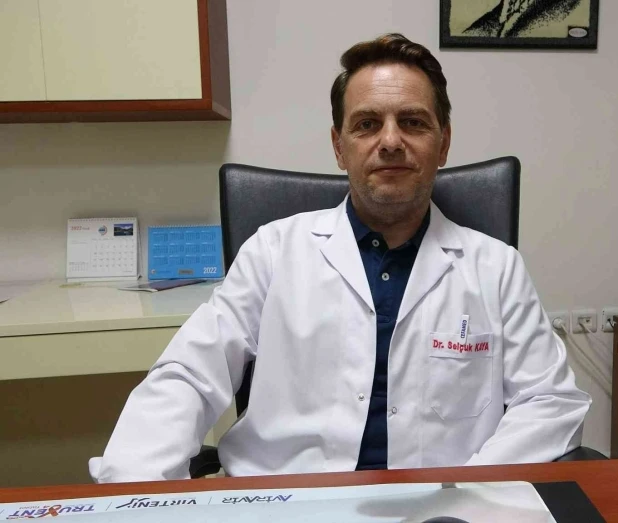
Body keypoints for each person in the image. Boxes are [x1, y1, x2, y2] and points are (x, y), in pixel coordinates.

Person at [90, 33, 590, 482]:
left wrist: (472, 489)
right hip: (285, 504)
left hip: (441, 507)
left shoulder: (496, 269)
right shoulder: (273, 250)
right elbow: (189, 375)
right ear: (339, 146)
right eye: (367, 124)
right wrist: (134, 492)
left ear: (443, 144)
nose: (390, 141)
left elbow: (550, 401)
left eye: (413, 122)